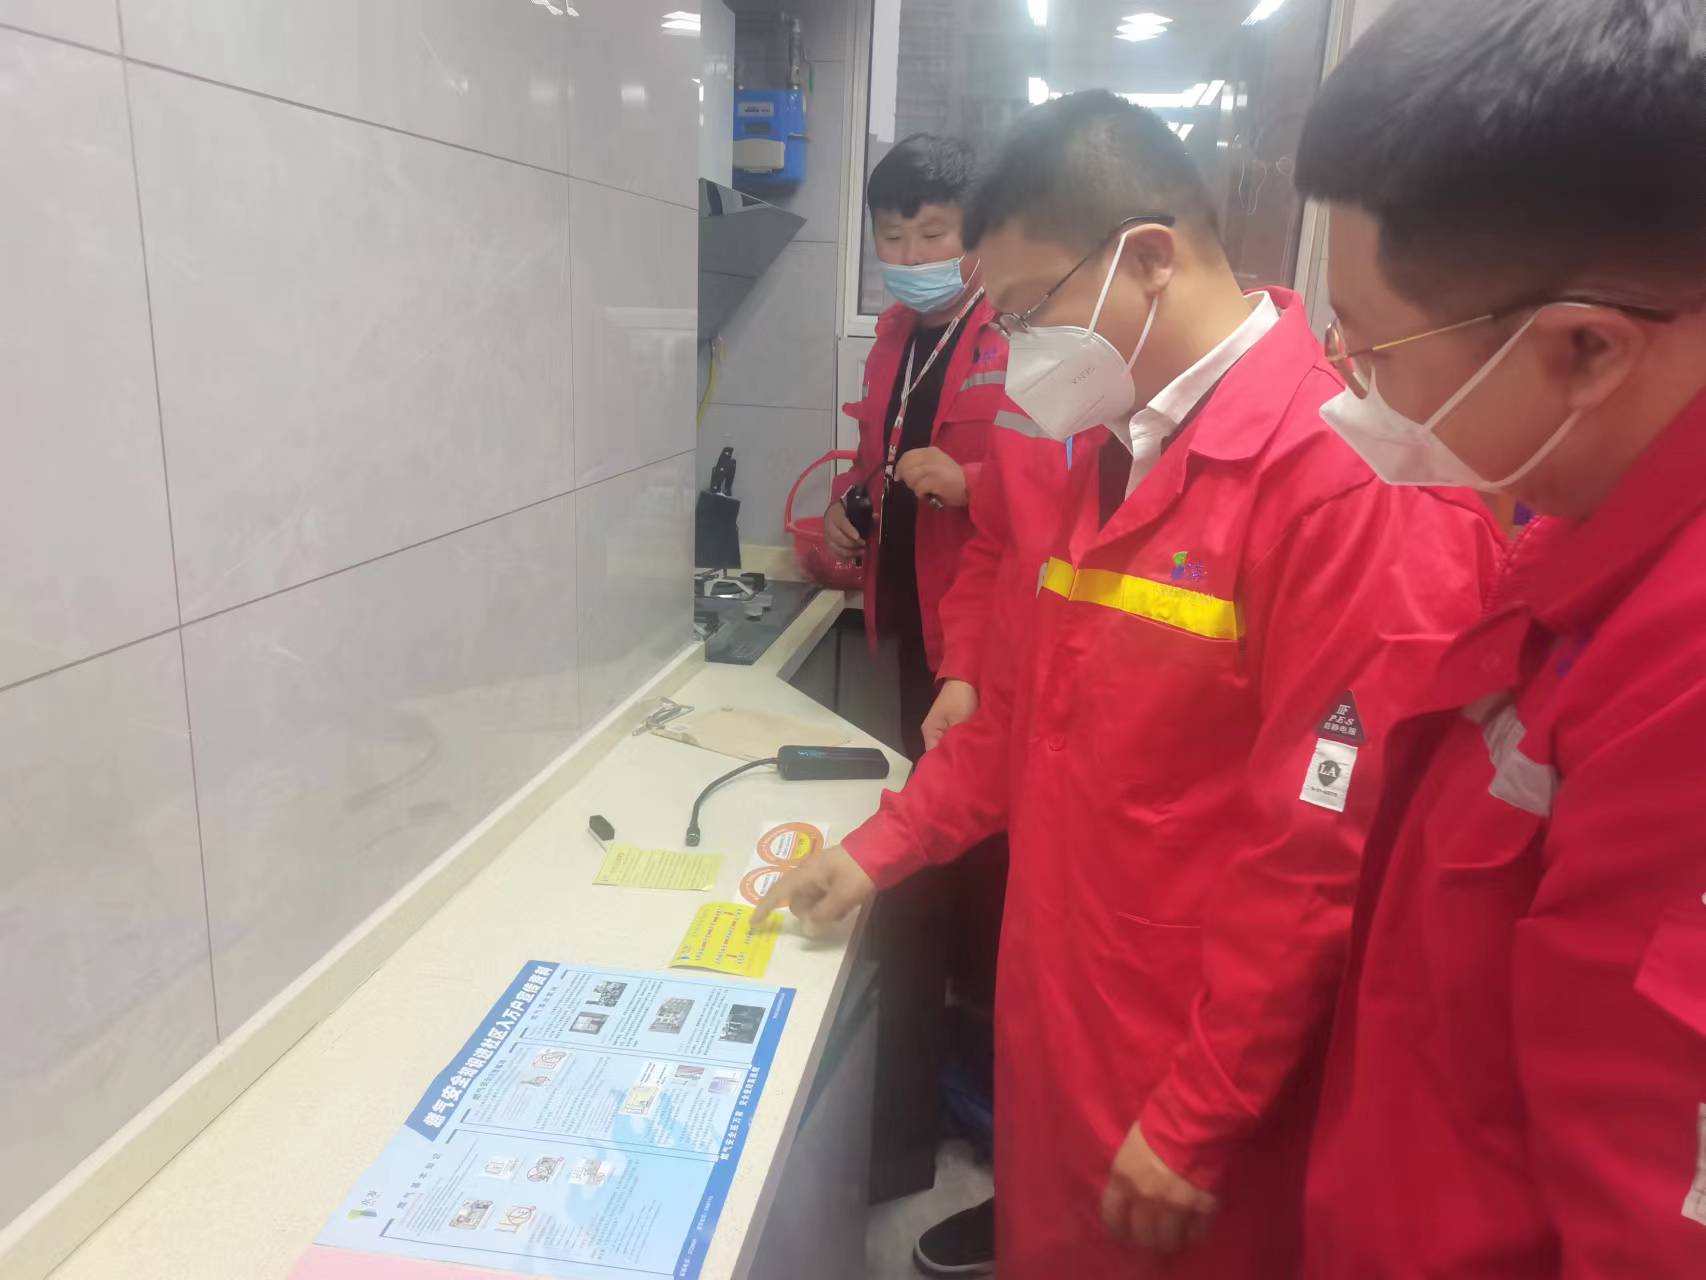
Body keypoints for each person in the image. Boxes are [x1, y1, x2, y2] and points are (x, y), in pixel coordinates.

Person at [760, 91, 1505, 1278]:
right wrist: (880, 849)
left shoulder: (1340, 485)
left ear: (1147, 258)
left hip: (1191, 1049)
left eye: (1026, 311)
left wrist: (1203, 1105)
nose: (1014, 348)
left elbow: (1324, 849)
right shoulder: (1105, 454)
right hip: (1062, 1001)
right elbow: (1021, 716)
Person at [1290, 2, 1706, 1274]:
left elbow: (1642, 1218)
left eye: (1374, 345)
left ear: (1583, 349)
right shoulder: (1576, 526)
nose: (1344, 380)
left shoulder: (1677, 684)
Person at [825, 132, 1019, 1200]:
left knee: (979, 877)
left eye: (931, 234)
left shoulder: (1017, 334)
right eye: (891, 239)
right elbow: (874, 457)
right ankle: (929, 1080)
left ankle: (981, 1093)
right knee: (927, 864)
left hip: (982, 646)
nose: (909, 257)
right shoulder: (895, 334)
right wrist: (848, 509)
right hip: (911, 631)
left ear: (975, 237)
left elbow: (1058, 491)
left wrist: (974, 480)